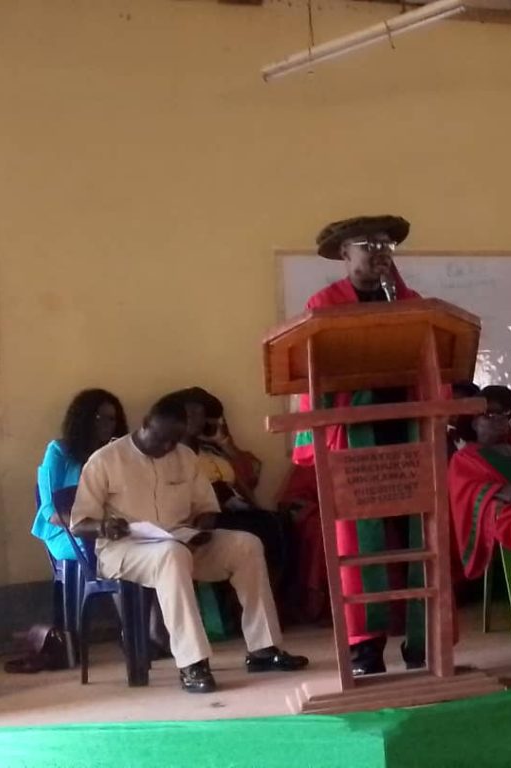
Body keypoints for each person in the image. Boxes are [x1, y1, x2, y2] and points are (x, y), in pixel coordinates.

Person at [70, 394, 307, 694]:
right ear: (146, 424)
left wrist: (201, 530)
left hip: (181, 541)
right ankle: (192, 663)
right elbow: (79, 523)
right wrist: (104, 526)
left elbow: (206, 507)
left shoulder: (184, 456)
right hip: (124, 550)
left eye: (174, 441)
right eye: (161, 439)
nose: (166, 447)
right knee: (171, 554)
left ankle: (263, 648)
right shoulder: (105, 460)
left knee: (246, 544)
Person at [285, 215, 423, 677]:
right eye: (367, 244)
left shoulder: (411, 303)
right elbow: (313, 373)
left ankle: (424, 642)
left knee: (420, 541)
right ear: (344, 254)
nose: (379, 251)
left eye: (386, 244)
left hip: (408, 433)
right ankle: (366, 651)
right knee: (360, 551)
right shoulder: (324, 305)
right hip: (354, 437)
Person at [177, 388, 291, 601]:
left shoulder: (213, 451)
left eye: (200, 414)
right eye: (189, 412)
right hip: (205, 516)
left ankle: (275, 597)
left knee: (280, 523)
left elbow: (250, 479)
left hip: (235, 509)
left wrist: (225, 443)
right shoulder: (171, 454)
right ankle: (251, 601)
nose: (194, 418)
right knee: (264, 528)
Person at [33, 389, 127, 561]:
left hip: (108, 528)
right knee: (111, 547)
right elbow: (50, 512)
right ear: (84, 419)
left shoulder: (116, 454)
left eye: (111, 419)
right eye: (98, 417)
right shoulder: (58, 451)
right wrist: (93, 527)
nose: (106, 424)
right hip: (66, 532)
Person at [448, 386, 511, 581]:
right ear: (474, 422)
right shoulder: (465, 457)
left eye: (504, 414)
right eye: (490, 414)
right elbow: (468, 494)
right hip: (499, 515)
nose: (499, 420)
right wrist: (509, 492)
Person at [447, 380, 481, 458]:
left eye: (460, 406)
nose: (453, 411)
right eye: (450, 404)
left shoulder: (483, 441)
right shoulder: (439, 440)